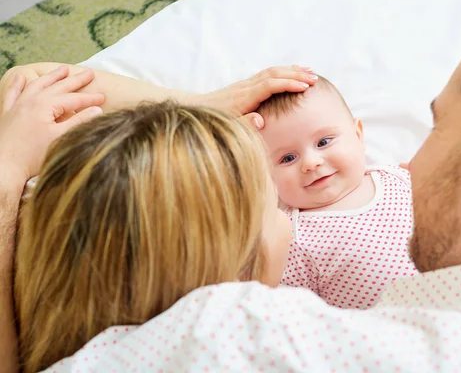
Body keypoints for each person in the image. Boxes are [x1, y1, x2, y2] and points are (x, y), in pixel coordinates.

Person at [1, 0, 461, 372]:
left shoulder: (248, 340)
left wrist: (5, 176)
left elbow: (31, 82)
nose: (410, 162)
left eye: (439, 123)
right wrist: (211, 107)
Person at [0, 64, 316, 373]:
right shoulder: (261, 340)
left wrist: (204, 109)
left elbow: (27, 80)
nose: (286, 216)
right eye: (274, 206)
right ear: (229, 281)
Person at [257, 75, 416, 309]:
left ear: (358, 135)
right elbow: (293, 312)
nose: (311, 163)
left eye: (323, 142)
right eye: (288, 158)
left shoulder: (398, 176)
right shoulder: (290, 238)